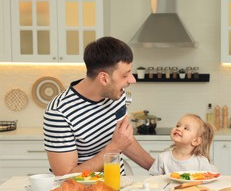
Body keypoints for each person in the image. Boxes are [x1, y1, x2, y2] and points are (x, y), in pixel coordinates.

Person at [43, 36, 154, 176]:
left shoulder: (117, 96)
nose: (132, 80)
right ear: (104, 78)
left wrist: (158, 168)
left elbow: (124, 140)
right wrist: (114, 148)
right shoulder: (59, 113)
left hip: (118, 187)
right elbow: (65, 176)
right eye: (125, 75)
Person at [149, 114, 217, 175]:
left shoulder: (201, 162)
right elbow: (154, 180)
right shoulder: (163, 158)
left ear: (196, 141)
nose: (178, 128)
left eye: (186, 128)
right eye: (178, 125)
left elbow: (209, 181)